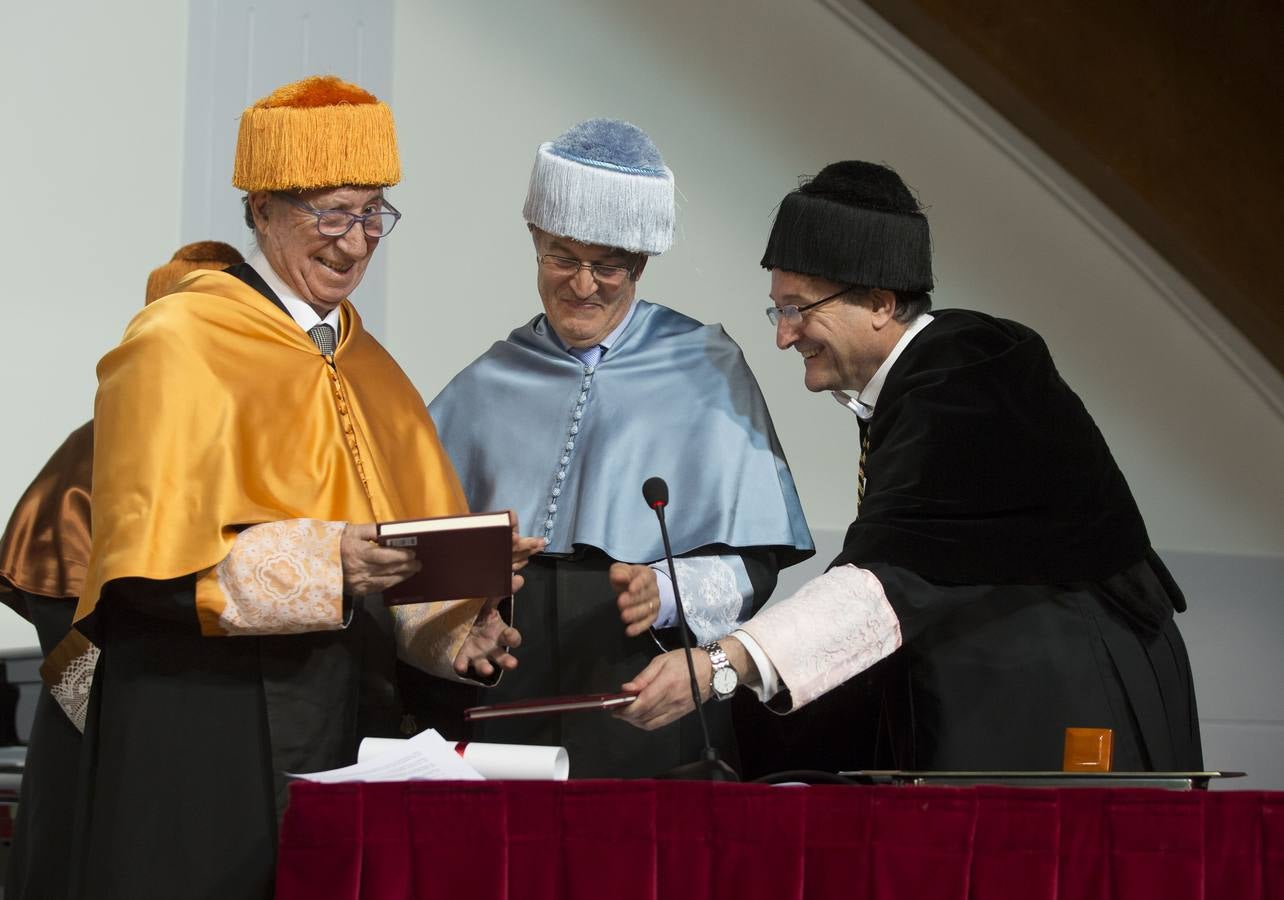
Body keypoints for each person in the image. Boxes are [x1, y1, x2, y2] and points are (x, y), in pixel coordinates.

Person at [64, 76, 538, 900]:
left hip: (343, 727)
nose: (354, 243)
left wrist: (452, 632)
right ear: (261, 211)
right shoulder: (176, 341)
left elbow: (392, 564)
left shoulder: (371, 365)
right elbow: (144, 574)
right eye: (330, 213)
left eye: (372, 213)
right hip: (203, 737)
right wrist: (330, 564)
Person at [618, 161, 1203, 774]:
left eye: (798, 310)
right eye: (778, 312)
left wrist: (719, 665)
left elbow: (887, 579)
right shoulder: (920, 381)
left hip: (1071, 691)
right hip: (1005, 685)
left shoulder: (968, 376)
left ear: (879, 302)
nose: (784, 337)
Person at [428, 118, 814, 778]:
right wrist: (465, 611)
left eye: (608, 266)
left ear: (640, 262)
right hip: (508, 698)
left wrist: (661, 589)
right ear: (535, 242)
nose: (582, 285)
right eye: (562, 257)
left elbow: (754, 560)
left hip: (644, 690)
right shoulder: (485, 382)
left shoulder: (706, 368)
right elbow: (428, 559)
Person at [0, 240, 243, 900]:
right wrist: (126, 691)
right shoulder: (100, 440)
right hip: (111, 710)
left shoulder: (245, 440)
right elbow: (51, 594)